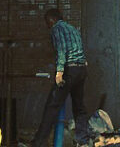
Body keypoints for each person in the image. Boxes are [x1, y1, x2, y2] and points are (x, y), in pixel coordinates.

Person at [33, 8, 91, 147]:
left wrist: (59, 72)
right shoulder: (73, 29)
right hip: (81, 69)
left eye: (47, 22)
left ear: (51, 20)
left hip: (69, 70)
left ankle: (39, 143)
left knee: (52, 106)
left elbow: (61, 49)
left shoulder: (56, 28)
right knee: (79, 106)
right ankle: (82, 140)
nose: (47, 25)